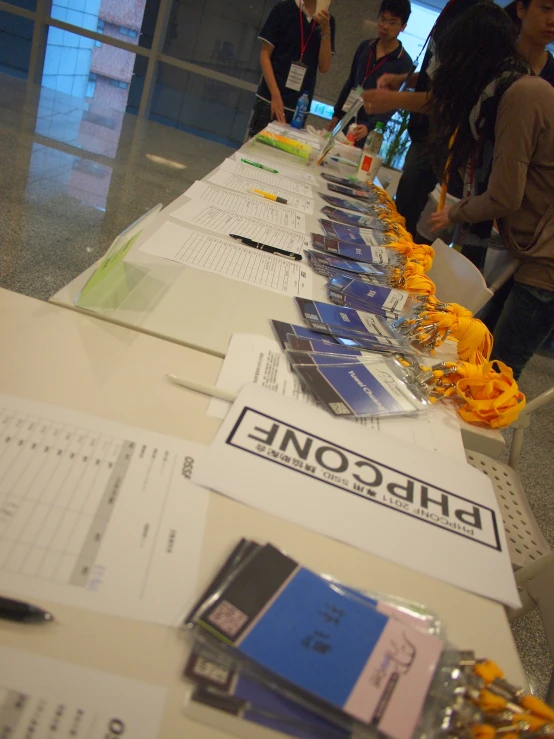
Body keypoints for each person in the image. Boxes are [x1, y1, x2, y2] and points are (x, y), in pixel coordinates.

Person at [426, 2, 554, 380]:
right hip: (533, 250)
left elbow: (505, 196)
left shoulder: (522, 94)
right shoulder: (522, 88)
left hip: (544, 261)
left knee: (492, 377)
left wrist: (454, 213)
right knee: (484, 365)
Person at [361, 0, 485, 237]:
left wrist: (393, 100)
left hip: (440, 143)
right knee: (403, 210)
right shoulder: (452, 10)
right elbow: (435, 75)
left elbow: (447, 99)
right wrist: (403, 80)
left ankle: (400, 271)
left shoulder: (473, 16)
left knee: (412, 227)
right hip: (422, 136)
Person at [326, 0, 412, 148]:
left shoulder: (404, 62)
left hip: (369, 130)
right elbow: (351, 81)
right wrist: (337, 113)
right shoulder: (365, 47)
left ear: (402, 27)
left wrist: (370, 126)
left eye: (392, 23)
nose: (385, 26)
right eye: (383, 19)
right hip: (347, 118)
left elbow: (393, 103)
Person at [248, 0, 336, 139]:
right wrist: (275, 95)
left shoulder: (327, 22)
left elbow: (324, 67)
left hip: (299, 107)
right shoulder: (283, 9)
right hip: (270, 99)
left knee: (283, 158)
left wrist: (325, 29)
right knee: (253, 153)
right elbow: (265, 55)